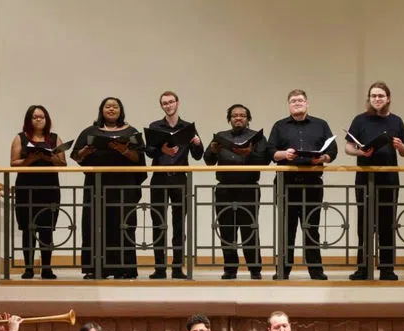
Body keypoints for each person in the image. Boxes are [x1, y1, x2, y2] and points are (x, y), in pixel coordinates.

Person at [71, 97, 147, 279]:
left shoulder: (131, 132)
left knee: (123, 226)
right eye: (108, 106)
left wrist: (123, 149)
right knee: (93, 225)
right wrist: (85, 151)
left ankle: (124, 269)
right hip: (96, 186)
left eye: (115, 106)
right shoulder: (90, 131)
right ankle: (95, 268)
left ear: (121, 110)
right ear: (101, 110)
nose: (111, 109)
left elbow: (139, 159)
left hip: (124, 186)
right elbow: (76, 156)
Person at [344, 81, 404, 281]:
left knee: (387, 224)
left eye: (381, 96)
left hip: (389, 179)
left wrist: (400, 147)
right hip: (365, 178)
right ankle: (363, 269)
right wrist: (360, 152)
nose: (377, 99)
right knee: (364, 224)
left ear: (388, 98)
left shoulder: (396, 121)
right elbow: (348, 147)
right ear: (369, 99)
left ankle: (387, 269)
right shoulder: (360, 120)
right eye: (373, 96)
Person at [267, 89, 337, 280]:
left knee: (311, 228)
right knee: (286, 229)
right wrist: (284, 154)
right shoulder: (279, 126)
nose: (297, 103)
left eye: (300, 100)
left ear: (307, 103)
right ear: (288, 105)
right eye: (293, 101)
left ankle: (316, 271)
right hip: (285, 185)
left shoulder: (321, 124)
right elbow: (271, 151)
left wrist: (323, 157)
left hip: (312, 183)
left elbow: (332, 149)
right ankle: (283, 271)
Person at [204, 103, 270, 280]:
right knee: (227, 230)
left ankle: (255, 269)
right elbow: (208, 161)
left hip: (249, 188)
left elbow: (265, 161)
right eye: (234, 115)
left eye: (242, 115)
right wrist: (212, 150)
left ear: (248, 119)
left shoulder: (257, 138)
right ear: (229, 119)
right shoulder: (220, 137)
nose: (238, 118)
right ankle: (230, 269)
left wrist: (249, 153)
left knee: (250, 229)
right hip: (225, 189)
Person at [145, 91, 203, 279]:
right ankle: (160, 268)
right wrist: (160, 148)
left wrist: (197, 142)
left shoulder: (187, 127)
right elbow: (150, 152)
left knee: (179, 224)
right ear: (161, 106)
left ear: (178, 103)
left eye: (171, 102)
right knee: (158, 223)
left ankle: (177, 267)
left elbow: (198, 155)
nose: (168, 105)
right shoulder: (156, 126)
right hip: (159, 178)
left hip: (179, 178)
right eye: (165, 103)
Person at [10, 105, 64, 280]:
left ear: (47, 119)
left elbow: (62, 164)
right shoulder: (20, 138)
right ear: (29, 119)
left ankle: (47, 268)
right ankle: (28, 268)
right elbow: (13, 162)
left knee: (47, 229)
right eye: (35, 117)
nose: (39, 119)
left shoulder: (55, 138)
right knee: (28, 228)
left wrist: (50, 157)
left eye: (42, 117)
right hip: (27, 187)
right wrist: (30, 159)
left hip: (49, 187)